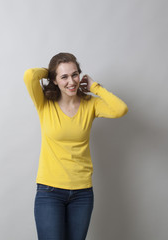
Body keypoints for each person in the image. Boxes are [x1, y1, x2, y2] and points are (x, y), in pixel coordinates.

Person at [23, 52, 128, 240]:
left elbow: (120, 109)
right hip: (49, 192)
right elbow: (30, 75)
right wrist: (50, 71)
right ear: (54, 80)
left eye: (74, 74)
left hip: (82, 194)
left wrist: (95, 87)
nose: (71, 81)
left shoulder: (90, 104)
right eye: (63, 77)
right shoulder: (44, 104)